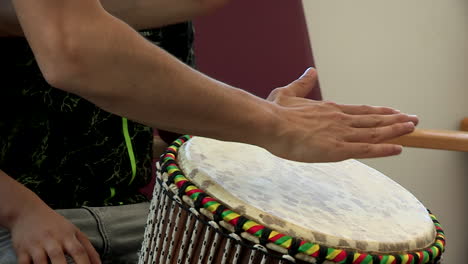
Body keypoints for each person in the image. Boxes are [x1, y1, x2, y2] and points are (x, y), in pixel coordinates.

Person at [0, 0, 419, 263]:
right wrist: (22, 212)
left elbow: (165, 139)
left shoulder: (155, 21)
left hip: (134, 212)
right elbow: (74, 49)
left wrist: (242, 131)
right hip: (20, 221)